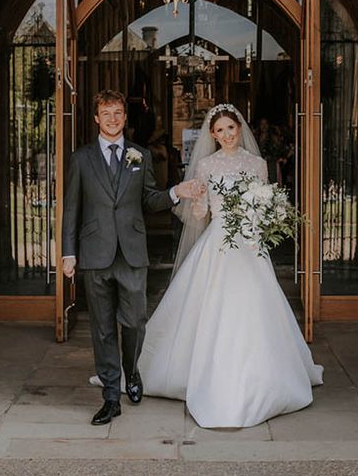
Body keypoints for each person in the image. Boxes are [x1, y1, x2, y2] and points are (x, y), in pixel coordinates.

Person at [137, 103, 324, 428]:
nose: (227, 135)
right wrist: (197, 200)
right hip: (219, 242)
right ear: (212, 134)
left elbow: (266, 203)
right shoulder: (207, 165)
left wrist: (264, 216)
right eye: (220, 130)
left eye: (231, 128)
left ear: (240, 128)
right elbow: (201, 216)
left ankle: (265, 378)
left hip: (249, 243)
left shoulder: (256, 164)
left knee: (255, 307)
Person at [62, 90, 200, 426]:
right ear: (96, 118)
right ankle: (111, 395)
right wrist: (68, 253)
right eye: (106, 113)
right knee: (103, 328)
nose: (112, 119)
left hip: (132, 253)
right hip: (95, 253)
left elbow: (150, 199)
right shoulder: (81, 158)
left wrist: (174, 193)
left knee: (135, 321)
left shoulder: (139, 155)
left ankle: (132, 370)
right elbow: (71, 209)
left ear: (125, 117)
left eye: (118, 113)